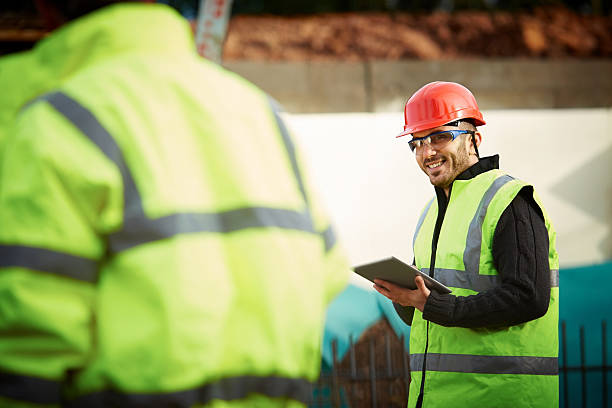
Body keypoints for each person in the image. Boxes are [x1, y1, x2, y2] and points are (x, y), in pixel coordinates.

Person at [0, 1, 350, 406]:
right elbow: (328, 271)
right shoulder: (261, 113)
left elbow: (27, 340)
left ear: (46, 10)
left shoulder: (57, 120)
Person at [373, 81, 559, 407]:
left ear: (474, 139)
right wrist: (404, 298)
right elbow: (426, 310)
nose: (426, 152)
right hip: (435, 398)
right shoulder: (430, 213)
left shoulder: (509, 200)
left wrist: (437, 306)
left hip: (499, 398)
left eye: (440, 137)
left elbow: (529, 297)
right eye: (416, 142)